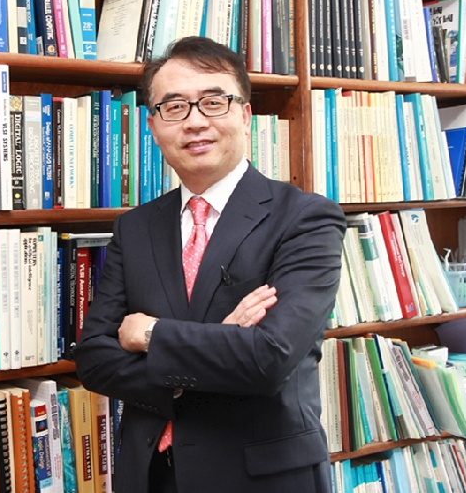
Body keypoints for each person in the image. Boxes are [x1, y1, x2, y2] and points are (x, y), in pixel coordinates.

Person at [74, 36, 346, 493]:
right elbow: (95, 360)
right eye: (174, 107)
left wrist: (150, 334)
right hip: (151, 476)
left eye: (214, 102)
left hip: (260, 479)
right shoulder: (135, 227)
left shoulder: (305, 218)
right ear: (152, 125)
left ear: (245, 114)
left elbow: (269, 358)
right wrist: (219, 346)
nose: (195, 122)